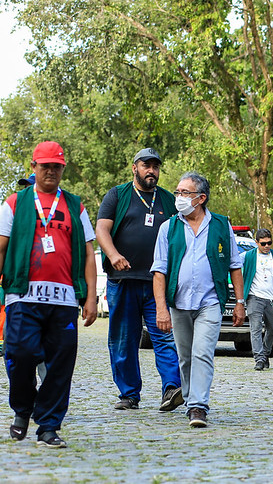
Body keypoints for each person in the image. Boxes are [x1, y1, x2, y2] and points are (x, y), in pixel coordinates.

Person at [0, 141, 97, 448]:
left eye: (56, 167)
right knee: (19, 354)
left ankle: (48, 426)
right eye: (45, 166)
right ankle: (23, 407)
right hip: (22, 296)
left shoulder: (75, 205)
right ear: (34, 167)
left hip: (63, 300)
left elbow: (87, 253)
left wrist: (91, 297)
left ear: (62, 169)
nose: (51, 172)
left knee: (60, 365)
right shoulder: (15, 203)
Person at [152, 172, 244, 428]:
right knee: (185, 357)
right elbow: (159, 271)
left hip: (210, 302)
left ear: (201, 198)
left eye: (185, 193)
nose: (179, 197)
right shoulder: (168, 228)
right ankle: (191, 396)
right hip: (179, 303)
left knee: (202, 352)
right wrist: (161, 308)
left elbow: (235, 265)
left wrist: (239, 302)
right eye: (177, 192)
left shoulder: (221, 225)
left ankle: (198, 407)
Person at [96, 148, 182, 412]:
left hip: (157, 282)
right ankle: (129, 393)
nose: (152, 171)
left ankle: (172, 388)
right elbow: (102, 228)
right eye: (147, 165)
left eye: (156, 166)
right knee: (124, 338)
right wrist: (113, 255)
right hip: (123, 280)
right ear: (135, 167)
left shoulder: (168, 200)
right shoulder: (117, 195)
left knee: (164, 336)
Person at [241, 228, 273, 371]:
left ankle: (265, 353)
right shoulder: (247, 256)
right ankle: (259, 358)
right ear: (256, 242)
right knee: (255, 327)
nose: (267, 246)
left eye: (269, 243)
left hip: (272, 298)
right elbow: (233, 265)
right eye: (263, 244)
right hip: (254, 296)